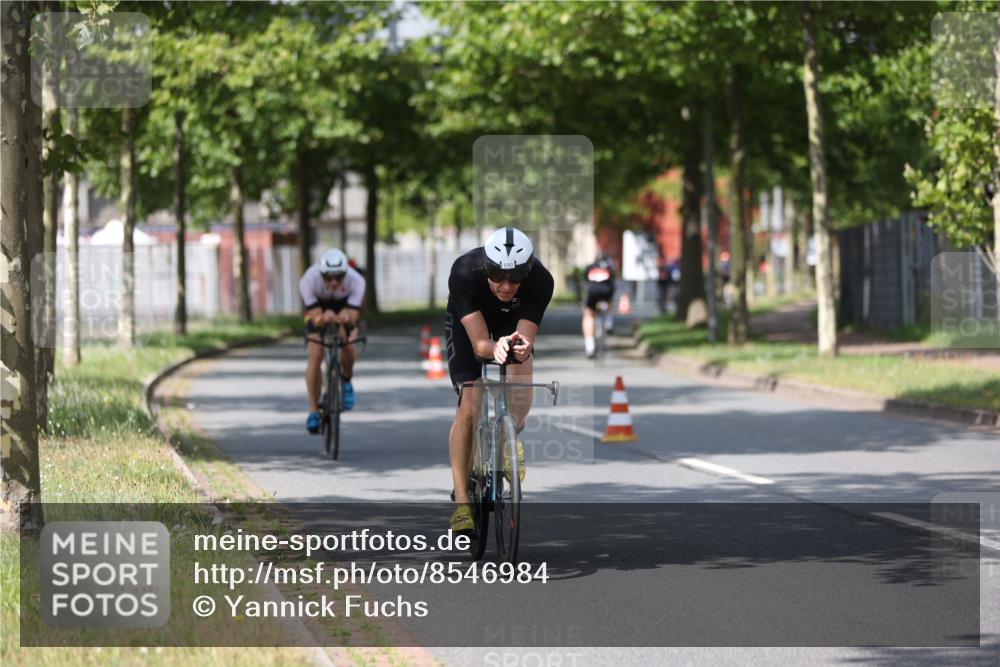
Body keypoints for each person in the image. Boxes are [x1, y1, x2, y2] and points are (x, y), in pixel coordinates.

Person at [444, 227, 554, 532]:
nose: (506, 286)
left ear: (527, 272)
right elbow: (481, 346)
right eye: (498, 276)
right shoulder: (464, 273)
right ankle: (462, 503)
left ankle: (510, 434)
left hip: (511, 322)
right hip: (470, 324)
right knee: (470, 406)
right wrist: (495, 348)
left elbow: (525, 339)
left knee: (521, 371)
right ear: (486, 267)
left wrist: (520, 347)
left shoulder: (541, 281)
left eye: (515, 278)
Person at [300, 248, 365, 434]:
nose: (334, 282)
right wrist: (322, 318)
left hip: (344, 307)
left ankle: (346, 380)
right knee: (316, 353)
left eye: (339, 277)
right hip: (319, 309)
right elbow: (315, 317)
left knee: (349, 346)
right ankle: (313, 410)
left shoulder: (357, 280)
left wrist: (345, 319)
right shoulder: (308, 280)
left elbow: (353, 315)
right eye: (328, 277)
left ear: (346, 273)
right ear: (321, 273)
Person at [581, 251, 616, 358]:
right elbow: (613, 281)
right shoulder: (609, 267)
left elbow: (585, 282)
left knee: (588, 315)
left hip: (593, 291)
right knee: (609, 298)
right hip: (607, 291)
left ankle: (590, 346)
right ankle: (609, 321)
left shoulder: (590, 267)